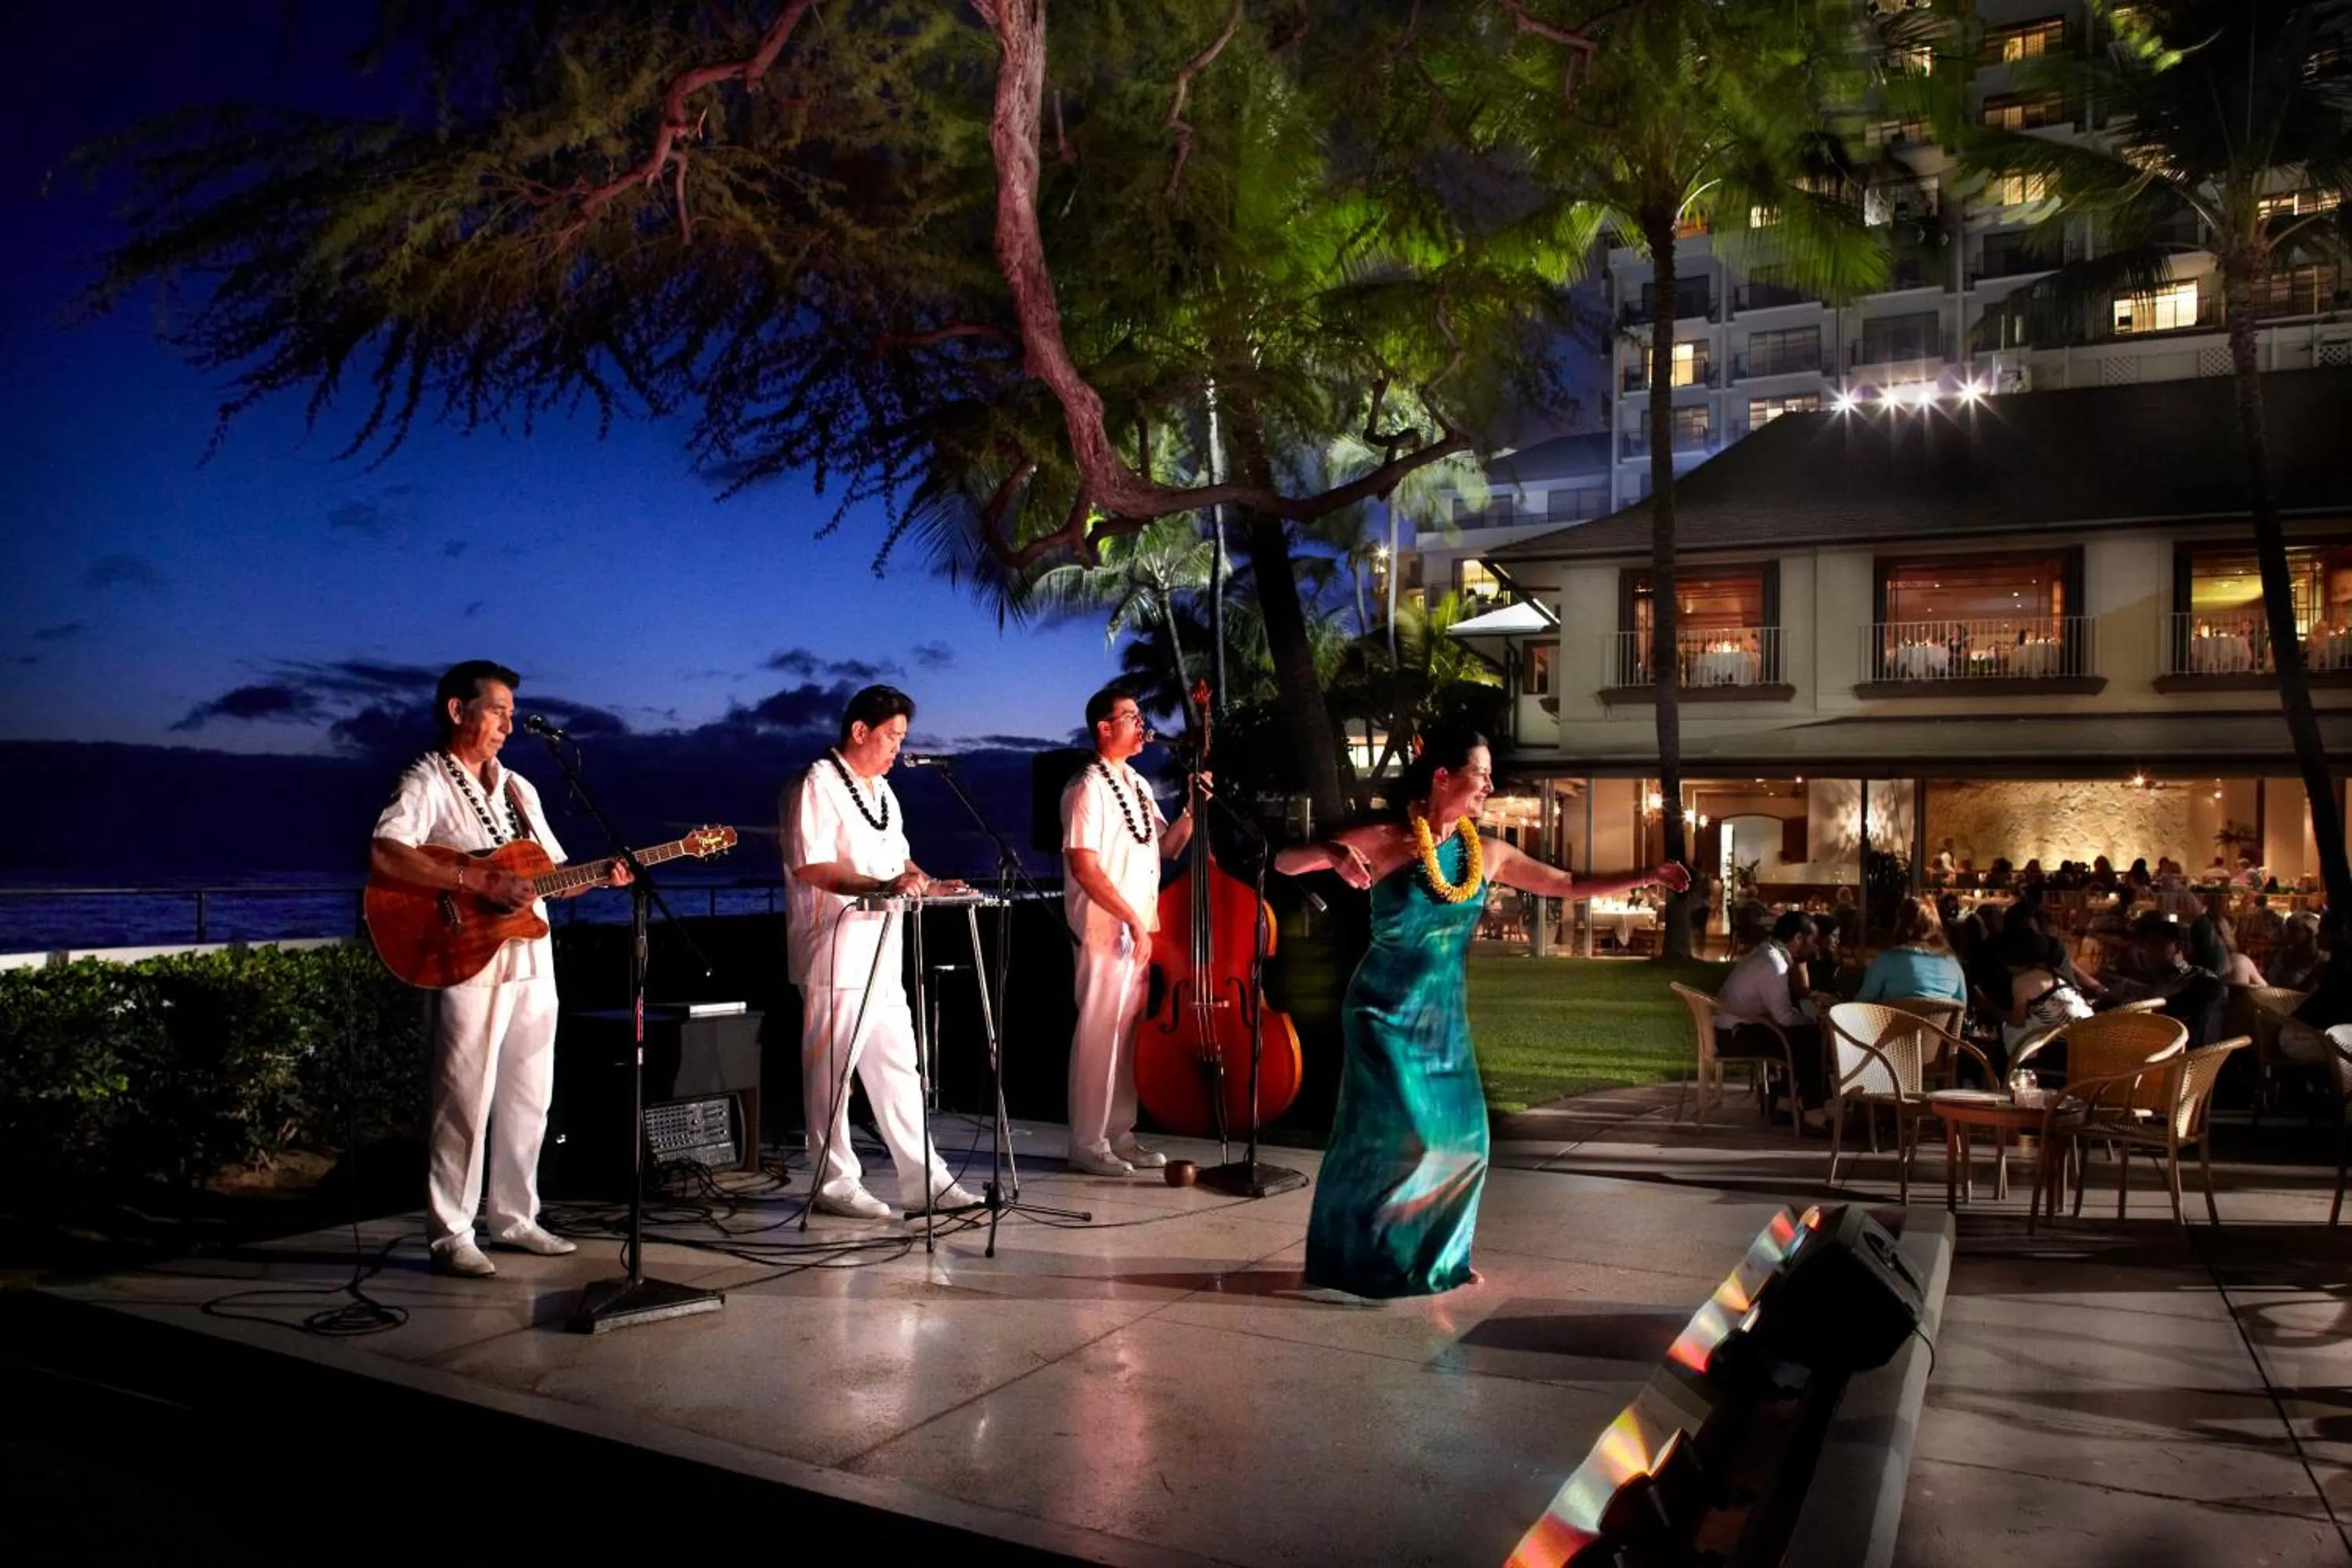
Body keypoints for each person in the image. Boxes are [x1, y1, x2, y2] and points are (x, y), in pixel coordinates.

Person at [1272, 727, 1686, 1298]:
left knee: (1466, 1141)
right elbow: (1287, 863)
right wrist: (1331, 851)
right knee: (1393, 1137)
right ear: (1443, 777)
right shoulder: (1388, 837)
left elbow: (1564, 883)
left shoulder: (1483, 853)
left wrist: (1647, 875)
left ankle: (1437, 1259)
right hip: (1382, 1011)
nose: (1490, 784)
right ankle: (1352, 1259)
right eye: (1481, 773)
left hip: (1442, 1018)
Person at [369, 659, 630, 1277]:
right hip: (464, 956)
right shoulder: (427, 777)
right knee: (463, 1096)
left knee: (529, 1093)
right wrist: (474, 878)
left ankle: (515, 1217)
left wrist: (604, 877)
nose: (508, 726)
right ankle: (451, 1232)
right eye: (497, 712)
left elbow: (551, 877)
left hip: (530, 957)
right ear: (458, 711)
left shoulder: (520, 789)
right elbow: (386, 851)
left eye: (513, 715)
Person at [782, 685, 980, 1221]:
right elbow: (813, 866)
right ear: (860, 731)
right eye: (891, 737)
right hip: (834, 954)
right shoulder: (818, 784)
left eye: (902, 739)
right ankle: (834, 1182)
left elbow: (902, 861)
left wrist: (932, 884)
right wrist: (882, 883)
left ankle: (927, 1182)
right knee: (833, 1075)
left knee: (899, 1068)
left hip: (883, 952)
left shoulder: (883, 793)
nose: (898, 748)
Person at [1059, 684, 1202, 1176]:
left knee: (1129, 1034)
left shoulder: (1137, 784)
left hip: (1136, 930)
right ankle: (1087, 1141)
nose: (1142, 725)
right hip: (1106, 929)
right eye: (1132, 717)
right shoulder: (1086, 787)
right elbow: (1084, 866)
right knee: (1100, 1032)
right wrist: (1129, 920)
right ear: (1104, 727)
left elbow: (1164, 847)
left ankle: (1119, 1134)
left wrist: (1190, 810)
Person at [1715, 911, 1831, 1116]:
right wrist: (1813, 1022)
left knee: (1800, 1036)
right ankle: (1814, 1112)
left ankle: (1785, 1104)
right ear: (1797, 938)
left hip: (1732, 1029)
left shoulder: (1767, 953)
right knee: (1810, 1038)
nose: (1814, 947)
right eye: (1812, 940)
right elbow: (1784, 1017)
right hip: (1734, 1035)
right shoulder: (1773, 964)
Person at [1994, 922, 2093, 1075]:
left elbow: (2017, 1021)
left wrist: (1991, 1008)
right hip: (2090, 1043)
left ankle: (2008, 1080)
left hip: (2066, 1051)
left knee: (2010, 1032)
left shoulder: (2023, 980)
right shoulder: (2057, 974)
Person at [2132, 911, 2227, 1050]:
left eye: (2157, 945)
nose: (2150, 952)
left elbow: (2164, 1008)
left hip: (2177, 1054)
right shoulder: (2157, 974)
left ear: (2178, 947)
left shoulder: (2198, 980)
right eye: (2148, 946)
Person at [1857, 897, 1968, 1004]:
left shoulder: (1886, 961)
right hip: (1939, 1024)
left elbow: (1861, 1003)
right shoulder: (1952, 964)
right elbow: (1962, 1007)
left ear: (1904, 926)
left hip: (1895, 1023)